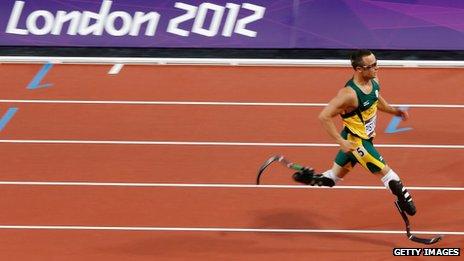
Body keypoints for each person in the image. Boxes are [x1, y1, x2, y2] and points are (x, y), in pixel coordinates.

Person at [293, 49, 416, 216]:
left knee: (331, 179)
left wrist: (394, 111)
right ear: (359, 69)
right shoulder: (348, 95)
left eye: (376, 64)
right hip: (357, 142)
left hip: (360, 139)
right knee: (389, 176)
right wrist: (340, 141)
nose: (376, 68)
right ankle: (406, 204)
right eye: (371, 66)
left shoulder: (373, 80)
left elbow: (375, 98)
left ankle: (309, 178)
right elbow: (324, 116)